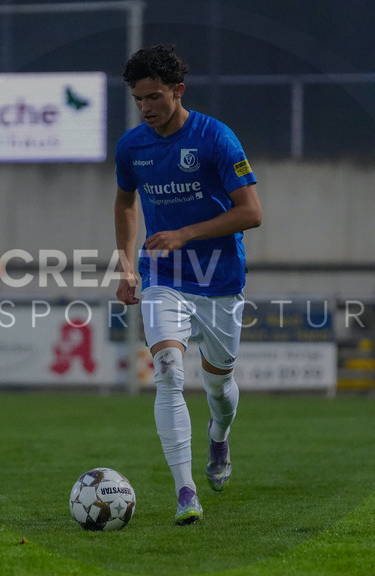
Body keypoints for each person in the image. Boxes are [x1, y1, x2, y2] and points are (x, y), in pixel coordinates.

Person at [112, 44, 262, 525]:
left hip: (219, 279)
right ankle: (184, 491)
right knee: (170, 372)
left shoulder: (217, 139)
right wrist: (127, 265)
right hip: (163, 277)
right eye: (138, 99)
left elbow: (252, 213)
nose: (146, 108)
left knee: (218, 388)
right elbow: (124, 202)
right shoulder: (132, 147)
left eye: (154, 96)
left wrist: (185, 233)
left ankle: (219, 436)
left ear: (178, 91)